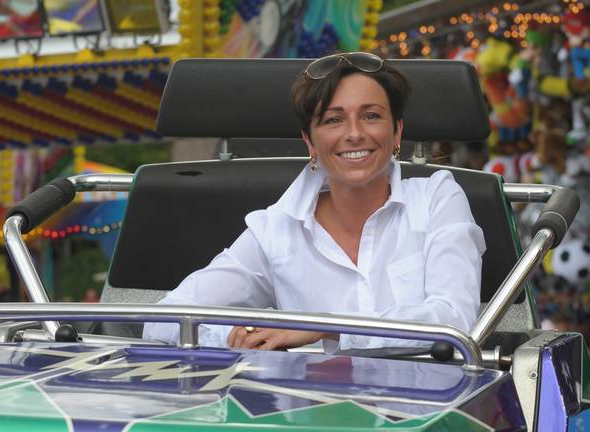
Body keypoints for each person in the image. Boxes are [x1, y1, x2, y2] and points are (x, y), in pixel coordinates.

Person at [143, 52, 485, 355]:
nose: (354, 133)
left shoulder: (438, 197)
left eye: (371, 116)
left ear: (396, 132)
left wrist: (327, 326)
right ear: (309, 141)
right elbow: (165, 319)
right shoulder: (274, 229)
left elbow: (453, 319)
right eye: (333, 119)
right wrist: (241, 336)